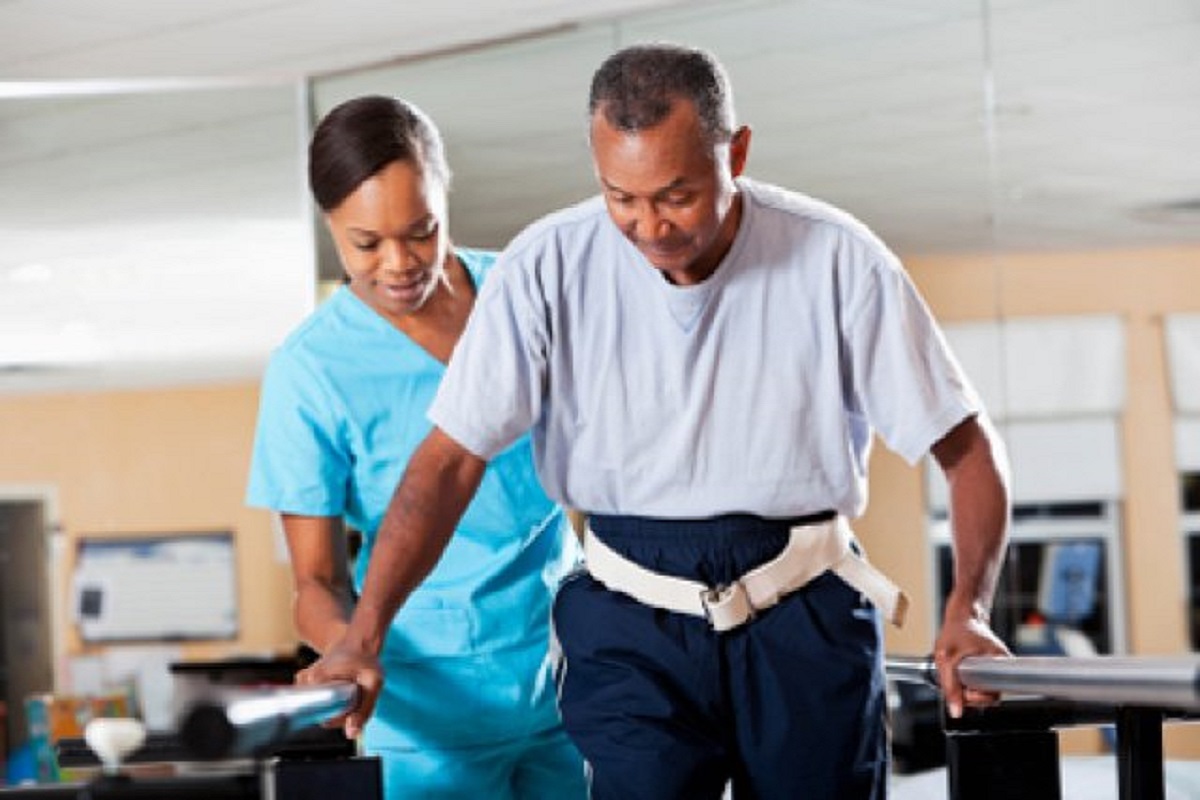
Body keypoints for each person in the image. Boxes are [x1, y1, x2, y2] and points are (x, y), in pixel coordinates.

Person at [301, 44, 1013, 799]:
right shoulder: (545, 264)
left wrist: (969, 609)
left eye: (676, 195)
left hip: (803, 605)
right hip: (628, 620)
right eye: (622, 197)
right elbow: (449, 460)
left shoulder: (838, 258)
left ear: (736, 153)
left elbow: (968, 450)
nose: (649, 226)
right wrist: (362, 636)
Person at [245, 95, 587, 800]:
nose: (399, 263)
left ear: (445, 199)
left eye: (422, 232)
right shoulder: (311, 369)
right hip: (425, 705)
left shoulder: (520, 296)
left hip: (569, 676)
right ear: (330, 224)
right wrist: (347, 645)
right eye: (366, 243)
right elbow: (316, 584)